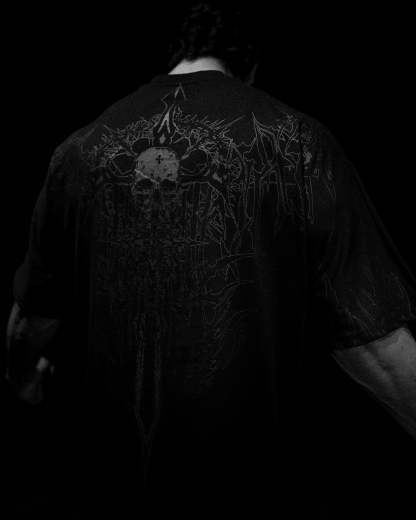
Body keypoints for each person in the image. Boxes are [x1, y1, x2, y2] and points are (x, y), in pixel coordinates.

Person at [5, 1, 416, 518]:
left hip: (108, 485)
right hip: (246, 484)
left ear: (173, 54)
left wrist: (24, 378)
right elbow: (371, 333)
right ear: (251, 66)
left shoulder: (79, 150)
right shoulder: (294, 139)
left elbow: (35, 316)